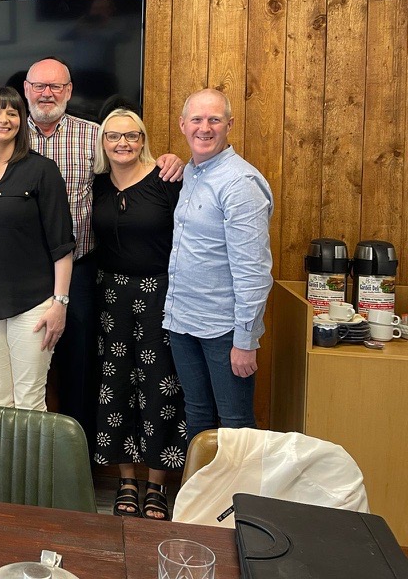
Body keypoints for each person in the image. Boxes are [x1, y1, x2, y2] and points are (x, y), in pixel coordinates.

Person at [24, 57, 183, 445]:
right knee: (25, 369)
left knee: (82, 367)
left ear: (69, 91)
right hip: (23, 272)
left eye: (56, 87)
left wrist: (171, 159)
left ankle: (77, 461)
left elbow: (132, 162)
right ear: (26, 89)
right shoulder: (7, 136)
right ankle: (26, 461)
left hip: (80, 271)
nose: (47, 93)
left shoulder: (94, 135)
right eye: (40, 85)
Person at [90, 109, 187, 520]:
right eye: (113, 136)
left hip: (159, 296)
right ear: (103, 142)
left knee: (160, 389)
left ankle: (157, 486)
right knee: (115, 386)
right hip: (110, 296)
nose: (122, 143)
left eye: (131, 136)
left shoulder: (167, 180)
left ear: (143, 139)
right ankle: (126, 480)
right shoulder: (96, 185)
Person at [163, 89, 273, 443]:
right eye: (196, 119)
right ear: (183, 125)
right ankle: (203, 499)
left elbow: (253, 272)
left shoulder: (240, 184)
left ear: (229, 125)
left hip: (225, 332)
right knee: (197, 417)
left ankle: (236, 500)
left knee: (236, 426)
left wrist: (245, 339)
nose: (205, 128)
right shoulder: (192, 173)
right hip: (183, 323)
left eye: (214, 119)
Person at [0, 87, 74, 411]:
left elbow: (62, 245)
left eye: (12, 113)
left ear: (22, 122)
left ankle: (30, 466)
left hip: (34, 304)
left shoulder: (42, 170)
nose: (4, 119)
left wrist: (60, 304)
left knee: (29, 399)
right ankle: (5, 466)